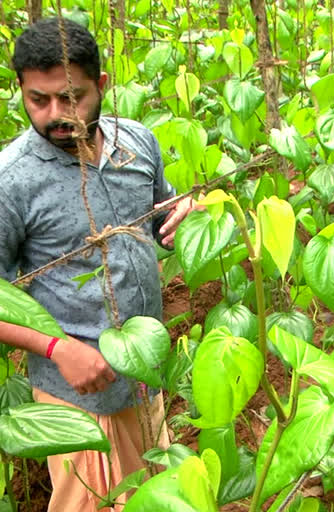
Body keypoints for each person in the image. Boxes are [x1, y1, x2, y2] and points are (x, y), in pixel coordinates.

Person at [0, 18, 195, 511]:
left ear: (101, 85)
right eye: (38, 100)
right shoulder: (12, 180)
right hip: (78, 397)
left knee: (152, 498)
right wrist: (56, 347)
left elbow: (160, 216)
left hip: (145, 374)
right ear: (19, 90)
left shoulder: (137, 143)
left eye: (71, 97)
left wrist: (183, 217)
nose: (55, 115)